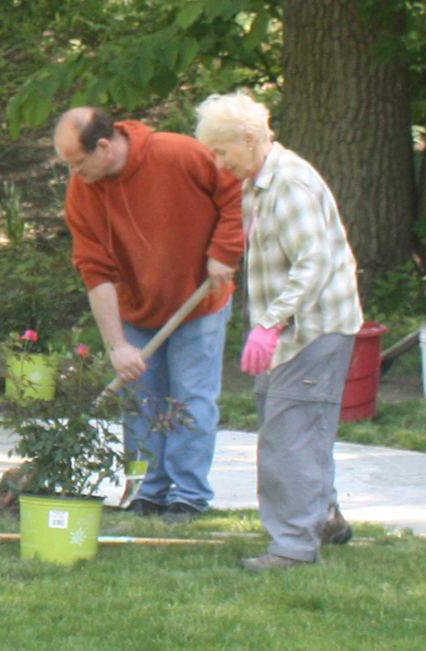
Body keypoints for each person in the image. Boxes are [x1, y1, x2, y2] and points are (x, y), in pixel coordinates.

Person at [195, 92, 364, 570]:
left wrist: (271, 322)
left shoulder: (289, 184)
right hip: (289, 334)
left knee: (289, 440)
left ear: (250, 140)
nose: (219, 162)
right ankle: (323, 517)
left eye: (223, 151)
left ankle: (291, 546)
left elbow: (314, 263)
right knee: (292, 429)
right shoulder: (257, 183)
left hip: (313, 329)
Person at [54, 107, 244, 524]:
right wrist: (117, 344)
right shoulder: (83, 190)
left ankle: (188, 496)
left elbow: (235, 192)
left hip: (199, 301)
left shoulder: (177, 153)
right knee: (140, 401)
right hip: (136, 307)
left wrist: (224, 253)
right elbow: (94, 270)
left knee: (190, 399)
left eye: (77, 162)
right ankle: (146, 492)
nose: (74, 173)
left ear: (103, 146)